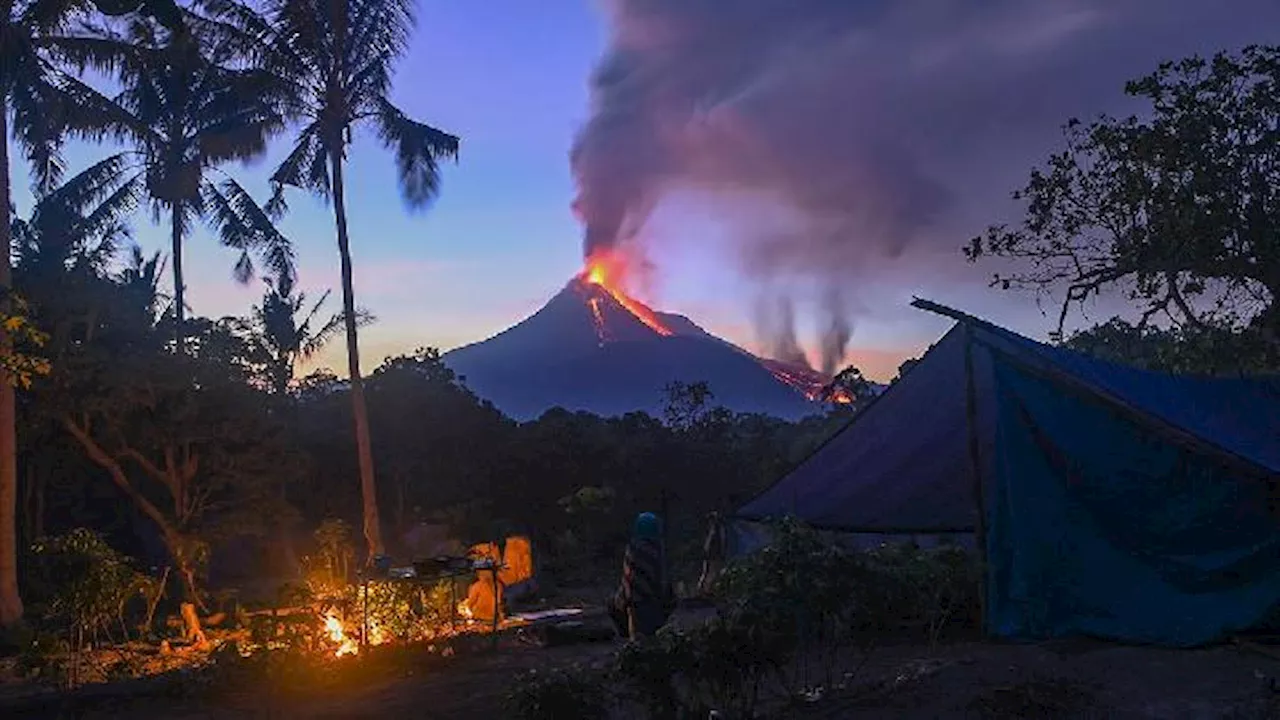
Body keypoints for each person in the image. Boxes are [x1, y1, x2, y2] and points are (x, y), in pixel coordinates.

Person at [610, 512, 675, 639]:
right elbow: (662, 579)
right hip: (649, 602)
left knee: (619, 606)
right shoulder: (658, 549)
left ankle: (632, 635)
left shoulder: (633, 547)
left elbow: (628, 579)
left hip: (638, 603)